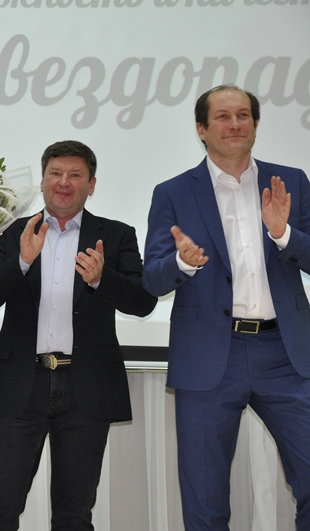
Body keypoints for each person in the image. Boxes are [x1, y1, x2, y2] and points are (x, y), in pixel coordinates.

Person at [143, 84, 310, 529]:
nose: (234, 124)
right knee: (205, 500)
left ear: (255, 124)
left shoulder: (290, 182)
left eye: (243, 115)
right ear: (201, 129)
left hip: (287, 355)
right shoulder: (174, 192)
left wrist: (284, 235)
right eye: (222, 116)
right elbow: (152, 278)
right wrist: (182, 262)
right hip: (208, 356)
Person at [0, 140, 157, 531]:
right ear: (42, 181)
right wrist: (22, 261)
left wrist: (102, 278)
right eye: (55, 173)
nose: (64, 182)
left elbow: (143, 302)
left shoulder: (117, 235)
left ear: (92, 185)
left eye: (75, 175)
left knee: (74, 515)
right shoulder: (12, 232)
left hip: (85, 388)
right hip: (20, 383)